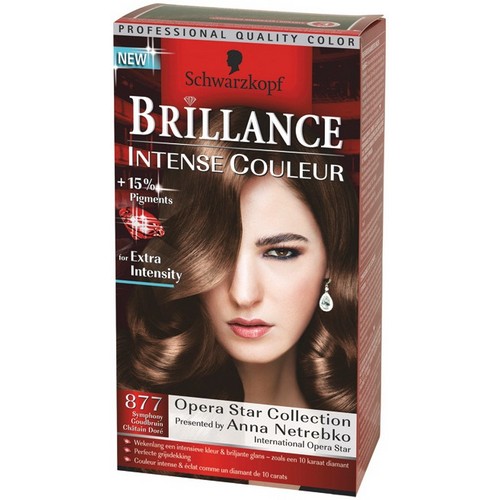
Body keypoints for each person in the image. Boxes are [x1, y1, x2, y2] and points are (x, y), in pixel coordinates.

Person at [119, 107, 358, 413]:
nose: (243, 294)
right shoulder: (139, 414)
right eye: (217, 252)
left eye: (281, 252)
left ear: (330, 260)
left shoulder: (349, 421)